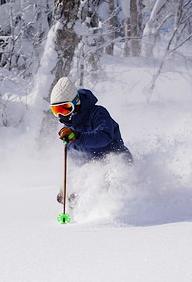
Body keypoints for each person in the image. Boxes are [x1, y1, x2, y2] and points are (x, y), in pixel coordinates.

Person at [49, 76, 132, 204]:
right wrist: (65, 187)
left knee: (108, 190)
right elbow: (73, 161)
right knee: (77, 197)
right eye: (56, 110)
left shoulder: (98, 113)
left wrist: (76, 137)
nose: (61, 115)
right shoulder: (69, 129)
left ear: (75, 103)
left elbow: (104, 136)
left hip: (116, 164)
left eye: (65, 108)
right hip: (93, 170)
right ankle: (86, 219)